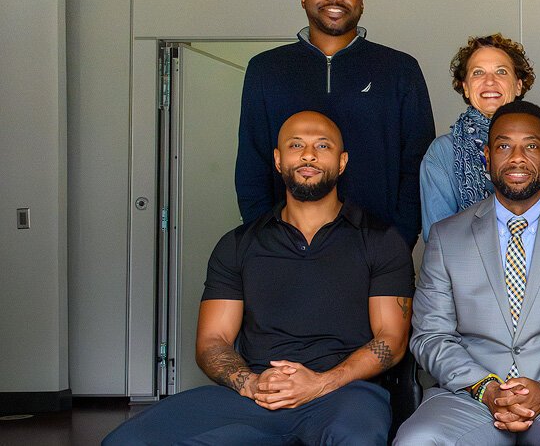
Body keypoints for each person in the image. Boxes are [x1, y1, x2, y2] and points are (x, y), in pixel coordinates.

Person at [105, 111, 414, 445]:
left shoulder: (382, 241)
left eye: (322, 146)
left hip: (345, 394)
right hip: (255, 395)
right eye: (296, 145)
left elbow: (391, 342)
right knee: (126, 441)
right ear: (278, 160)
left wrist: (322, 382)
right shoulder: (238, 245)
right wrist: (249, 383)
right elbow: (212, 341)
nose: (308, 154)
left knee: (354, 439)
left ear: (342, 162)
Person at [398, 101, 540, 444]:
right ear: (488, 159)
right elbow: (431, 336)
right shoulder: (447, 237)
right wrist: (487, 389)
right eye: (504, 146)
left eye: (531, 146)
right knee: (418, 439)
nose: (517, 158)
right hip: (470, 395)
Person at [235, 0, 434, 247]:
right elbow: (252, 161)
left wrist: (399, 240)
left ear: (362, 3)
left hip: (377, 245)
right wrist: (263, 239)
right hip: (284, 246)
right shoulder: (265, 69)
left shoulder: (400, 69)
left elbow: (417, 161)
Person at [420, 34, 540, 242]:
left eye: (501, 71)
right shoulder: (442, 153)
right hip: (468, 270)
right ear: (466, 87)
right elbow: (439, 241)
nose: (490, 81)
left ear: (518, 85)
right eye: (478, 72)